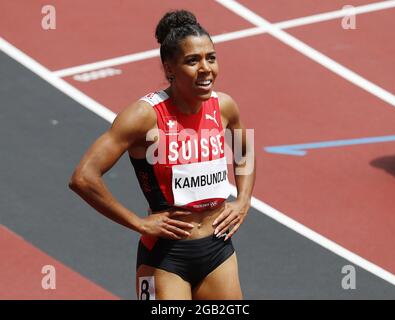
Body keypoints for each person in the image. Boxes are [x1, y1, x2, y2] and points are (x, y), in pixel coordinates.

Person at [69, 9, 255, 300]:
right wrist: (138, 222)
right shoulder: (144, 116)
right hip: (166, 258)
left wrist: (243, 201)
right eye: (192, 61)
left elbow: (244, 148)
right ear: (169, 68)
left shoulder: (224, 107)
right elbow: (83, 177)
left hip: (218, 250)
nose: (205, 68)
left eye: (211, 57)